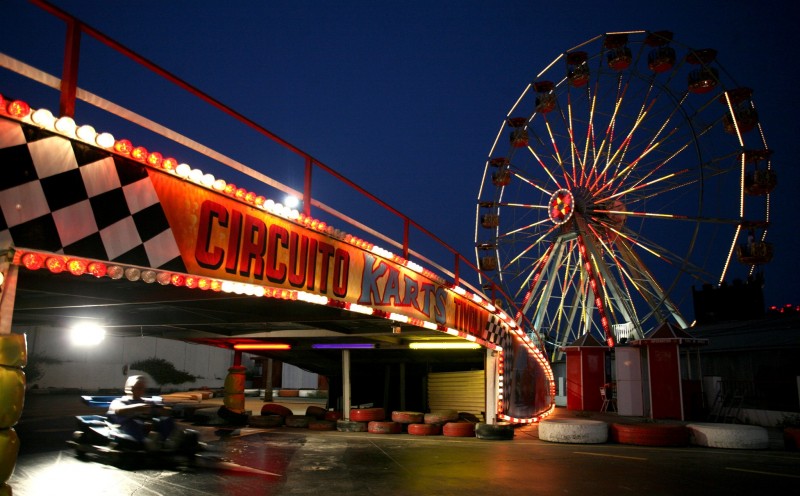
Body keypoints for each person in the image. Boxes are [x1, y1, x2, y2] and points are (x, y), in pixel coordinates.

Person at [108, 375, 175, 449]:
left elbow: (165, 411)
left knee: (167, 420)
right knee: (131, 423)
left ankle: (166, 442)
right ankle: (145, 443)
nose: (140, 390)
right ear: (130, 388)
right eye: (137, 388)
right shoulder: (119, 401)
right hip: (127, 428)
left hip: (147, 427)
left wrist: (161, 411)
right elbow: (118, 410)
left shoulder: (148, 402)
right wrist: (137, 408)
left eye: (142, 388)